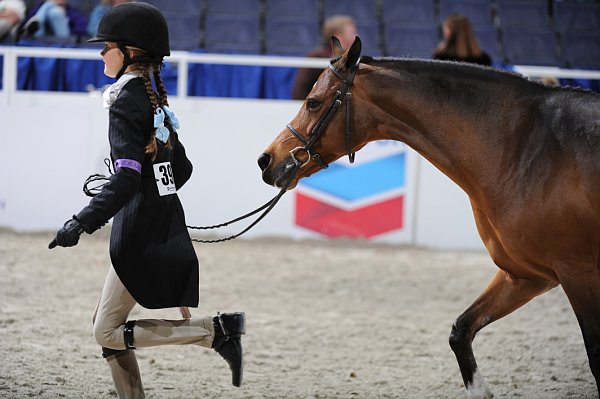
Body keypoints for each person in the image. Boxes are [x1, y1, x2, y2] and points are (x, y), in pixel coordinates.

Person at [48, 3, 245, 397]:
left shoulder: (125, 99)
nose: (102, 52)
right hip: (157, 226)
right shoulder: (154, 99)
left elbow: (128, 177)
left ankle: (215, 332)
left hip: (140, 234)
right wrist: (145, 191)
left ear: (131, 52)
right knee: (107, 329)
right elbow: (180, 170)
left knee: (106, 330)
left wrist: (81, 221)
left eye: (107, 46)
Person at [291, 15, 358, 100]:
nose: (356, 36)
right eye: (352, 33)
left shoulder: (353, 61)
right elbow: (299, 92)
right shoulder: (316, 58)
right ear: (338, 37)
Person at [20, 0, 87, 40]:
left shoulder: (73, 12)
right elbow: (28, 23)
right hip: (40, 38)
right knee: (52, 11)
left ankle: (38, 20)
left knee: (54, 12)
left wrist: (65, 22)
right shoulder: (37, 9)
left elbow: (81, 29)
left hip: (64, 41)